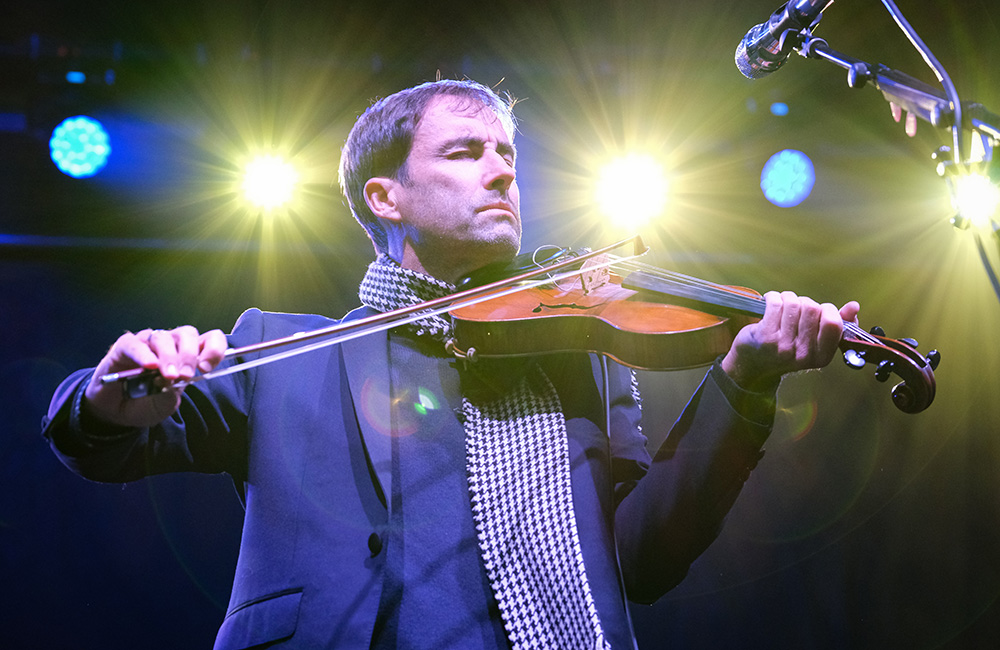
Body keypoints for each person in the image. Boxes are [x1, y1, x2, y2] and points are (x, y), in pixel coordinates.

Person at [42, 79, 859, 650]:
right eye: (466, 152)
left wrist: (743, 383)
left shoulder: (582, 362)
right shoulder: (282, 352)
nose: (503, 170)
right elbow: (98, 440)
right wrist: (115, 397)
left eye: (507, 152)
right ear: (385, 197)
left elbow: (639, 562)